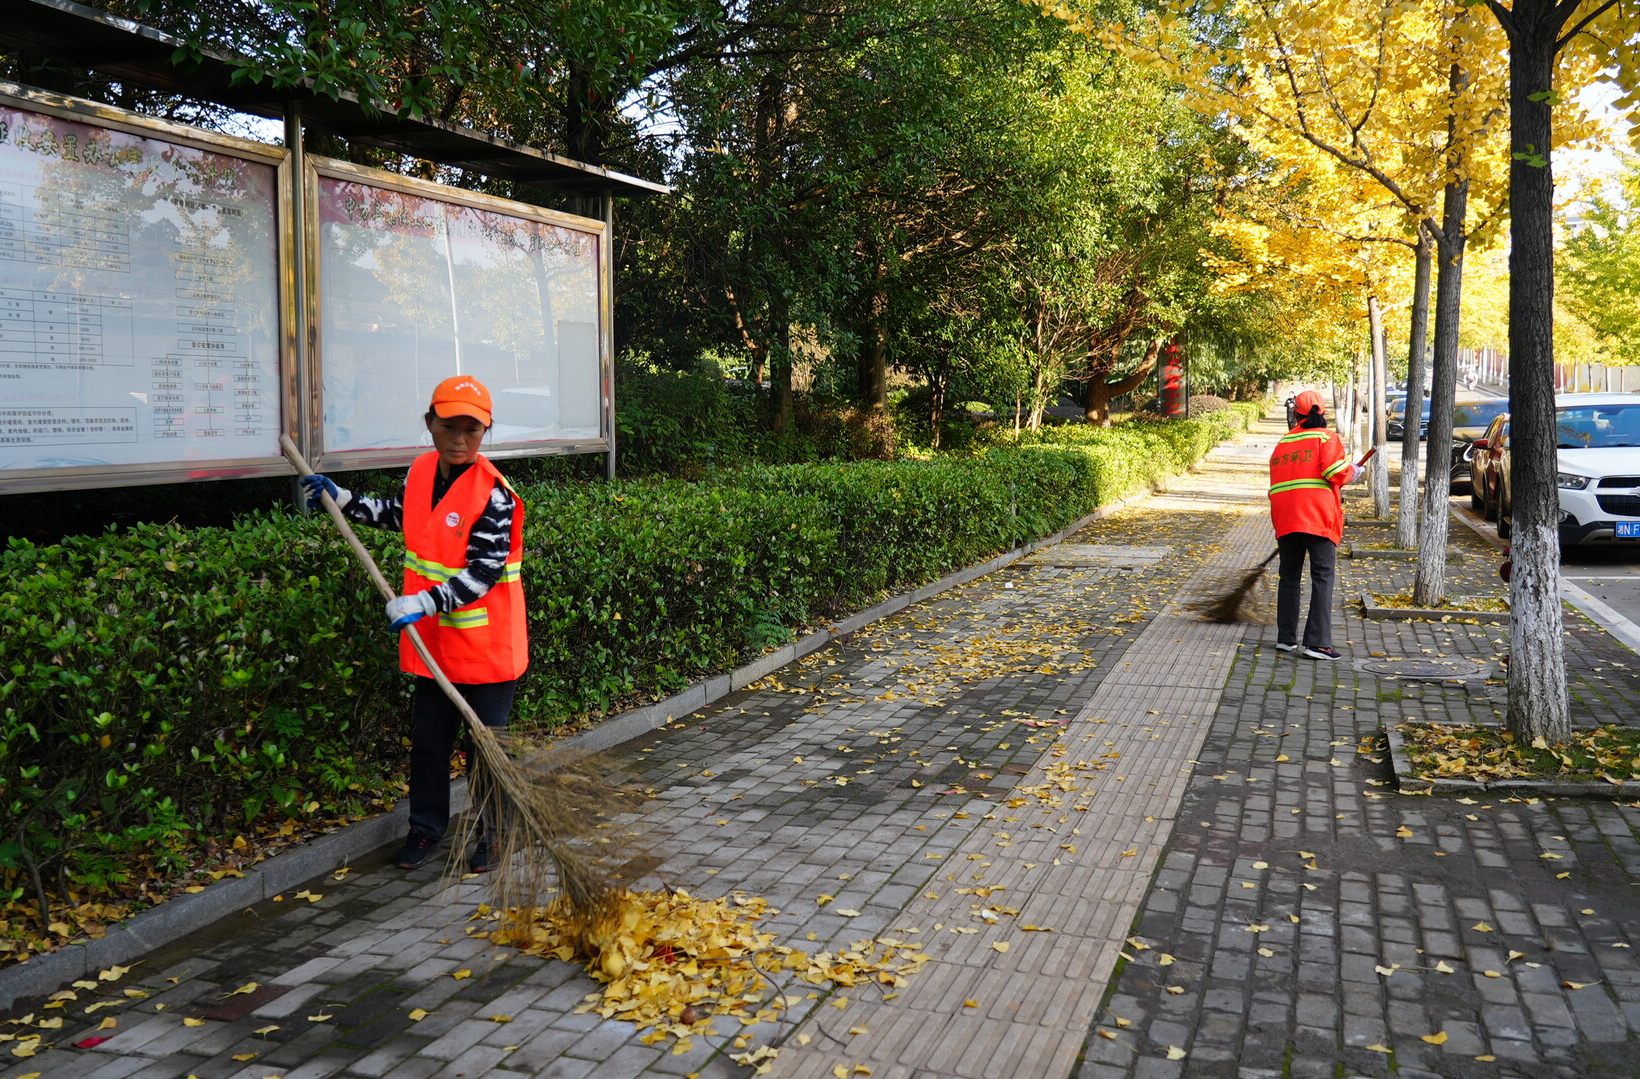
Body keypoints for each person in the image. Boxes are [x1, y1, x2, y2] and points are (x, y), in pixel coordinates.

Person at [301, 375, 527, 871]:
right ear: (430, 423)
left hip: (487, 648)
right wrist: (343, 499)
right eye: (449, 426)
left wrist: (424, 602)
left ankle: (494, 836)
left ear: (485, 430)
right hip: (435, 645)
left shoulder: (495, 495)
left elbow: (484, 573)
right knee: (429, 745)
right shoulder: (422, 470)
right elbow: (401, 516)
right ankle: (425, 829)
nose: (460, 438)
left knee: (486, 751)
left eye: (472, 429)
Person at [1269, 389, 1362, 660]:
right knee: (1322, 575)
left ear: (1295, 413)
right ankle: (1317, 643)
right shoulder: (1326, 437)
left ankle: (1286, 639)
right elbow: (1335, 472)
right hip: (1317, 516)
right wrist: (1355, 471)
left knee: (1289, 577)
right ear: (1323, 412)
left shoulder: (1284, 442)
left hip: (1286, 517)